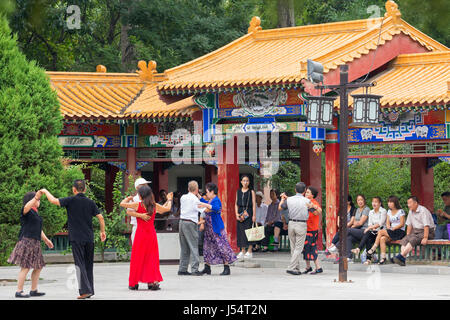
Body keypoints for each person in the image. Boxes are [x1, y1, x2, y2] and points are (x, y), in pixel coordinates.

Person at [42, 180, 106, 299]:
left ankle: (85, 291)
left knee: (80, 263)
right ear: (85, 190)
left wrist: (45, 191)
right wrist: (102, 231)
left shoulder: (70, 200)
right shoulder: (90, 202)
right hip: (89, 237)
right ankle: (90, 289)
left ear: (74, 189)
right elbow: (101, 217)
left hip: (76, 237)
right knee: (88, 264)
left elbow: (53, 200)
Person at [120, 185, 173, 290]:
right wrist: (169, 199)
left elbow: (122, 204)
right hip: (151, 235)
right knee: (151, 259)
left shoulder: (137, 204)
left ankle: (133, 283)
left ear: (140, 196)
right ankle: (152, 282)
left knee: (137, 258)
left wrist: (128, 199)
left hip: (140, 234)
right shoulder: (154, 205)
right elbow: (167, 209)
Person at [8, 190, 54, 298]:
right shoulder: (27, 210)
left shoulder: (35, 213)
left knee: (38, 266)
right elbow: (25, 208)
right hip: (27, 241)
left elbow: (39, 229)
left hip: (35, 242)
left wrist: (46, 240)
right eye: (37, 200)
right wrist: (36, 197)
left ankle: (34, 290)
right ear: (32, 200)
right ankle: (19, 291)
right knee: (26, 267)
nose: (39, 202)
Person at [197, 183, 237, 275]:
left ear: (212, 192)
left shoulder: (216, 200)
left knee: (222, 247)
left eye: (207, 192)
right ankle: (207, 267)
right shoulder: (211, 200)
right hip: (209, 229)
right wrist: (199, 196)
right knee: (207, 247)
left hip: (217, 229)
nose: (206, 194)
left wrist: (203, 204)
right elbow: (206, 203)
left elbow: (215, 208)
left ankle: (226, 267)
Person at [279, 182, 316, 275]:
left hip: (291, 223)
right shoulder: (307, 201)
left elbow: (281, 208)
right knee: (298, 248)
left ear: (295, 190)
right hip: (301, 224)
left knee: (293, 247)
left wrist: (282, 199)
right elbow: (314, 212)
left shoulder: (289, 199)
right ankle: (291, 267)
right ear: (304, 191)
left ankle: (296, 267)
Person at [393, 196, 436, 266]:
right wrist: (408, 235)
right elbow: (409, 225)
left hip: (428, 232)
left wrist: (425, 237)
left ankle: (400, 256)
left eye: (410, 203)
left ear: (416, 203)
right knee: (405, 240)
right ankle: (402, 258)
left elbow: (426, 226)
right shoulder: (410, 211)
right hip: (416, 231)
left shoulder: (423, 211)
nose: (408, 205)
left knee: (413, 239)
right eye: (407, 203)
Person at [366, 196, 406, 264]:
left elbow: (402, 224)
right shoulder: (389, 211)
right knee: (382, 239)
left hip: (399, 231)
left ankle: (373, 248)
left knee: (381, 232)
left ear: (395, 203)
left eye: (391, 202)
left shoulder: (400, 211)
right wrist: (389, 227)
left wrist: (394, 228)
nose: (389, 204)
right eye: (388, 202)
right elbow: (387, 223)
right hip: (392, 231)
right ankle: (383, 258)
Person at [177, 181, 205, 276]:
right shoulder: (195, 200)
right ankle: (194, 269)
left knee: (184, 247)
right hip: (190, 223)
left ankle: (182, 268)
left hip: (181, 222)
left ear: (188, 189)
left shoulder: (183, 197)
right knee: (193, 246)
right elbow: (203, 210)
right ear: (197, 190)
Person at [351, 197, 387, 264]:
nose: (374, 203)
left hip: (381, 232)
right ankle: (367, 258)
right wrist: (371, 228)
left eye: (376, 202)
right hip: (373, 231)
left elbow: (381, 223)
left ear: (380, 203)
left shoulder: (383, 211)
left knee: (367, 233)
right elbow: (369, 223)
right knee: (368, 236)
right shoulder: (371, 212)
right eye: (373, 202)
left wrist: (371, 227)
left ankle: (361, 252)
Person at [302, 186, 323, 274]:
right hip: (305, 229)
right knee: (305, 248)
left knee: (311, 248)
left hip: (311, 230)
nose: (306, 194)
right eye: (306, 192)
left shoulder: (314, 202)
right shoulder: (304, 202)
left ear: (312, 195)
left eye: (308, 192)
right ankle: (308, 267)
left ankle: (318, 267)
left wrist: (311, 206)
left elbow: (318, 211)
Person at [235, 175, 256, 260]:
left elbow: (254, 204)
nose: (245, 182)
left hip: (249, 212)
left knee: (249, 231)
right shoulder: (238, 191)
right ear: (241, 182)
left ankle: (250, 250)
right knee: (241, 232)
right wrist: (236, 213)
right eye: (244, 181)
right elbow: (236, 203)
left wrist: (254, 215)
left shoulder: (251, 192)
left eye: (247, 181)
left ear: (249, 182)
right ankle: (242, 250)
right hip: (240, 213)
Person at [129, 178, 151, 244]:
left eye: (146, 185)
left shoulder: (149, 199)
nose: (146, 187)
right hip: (138, 227)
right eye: (144, 185)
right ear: (137, 187)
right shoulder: (134, 199)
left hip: (148, 229)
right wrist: (141, 215)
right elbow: (129, 212)